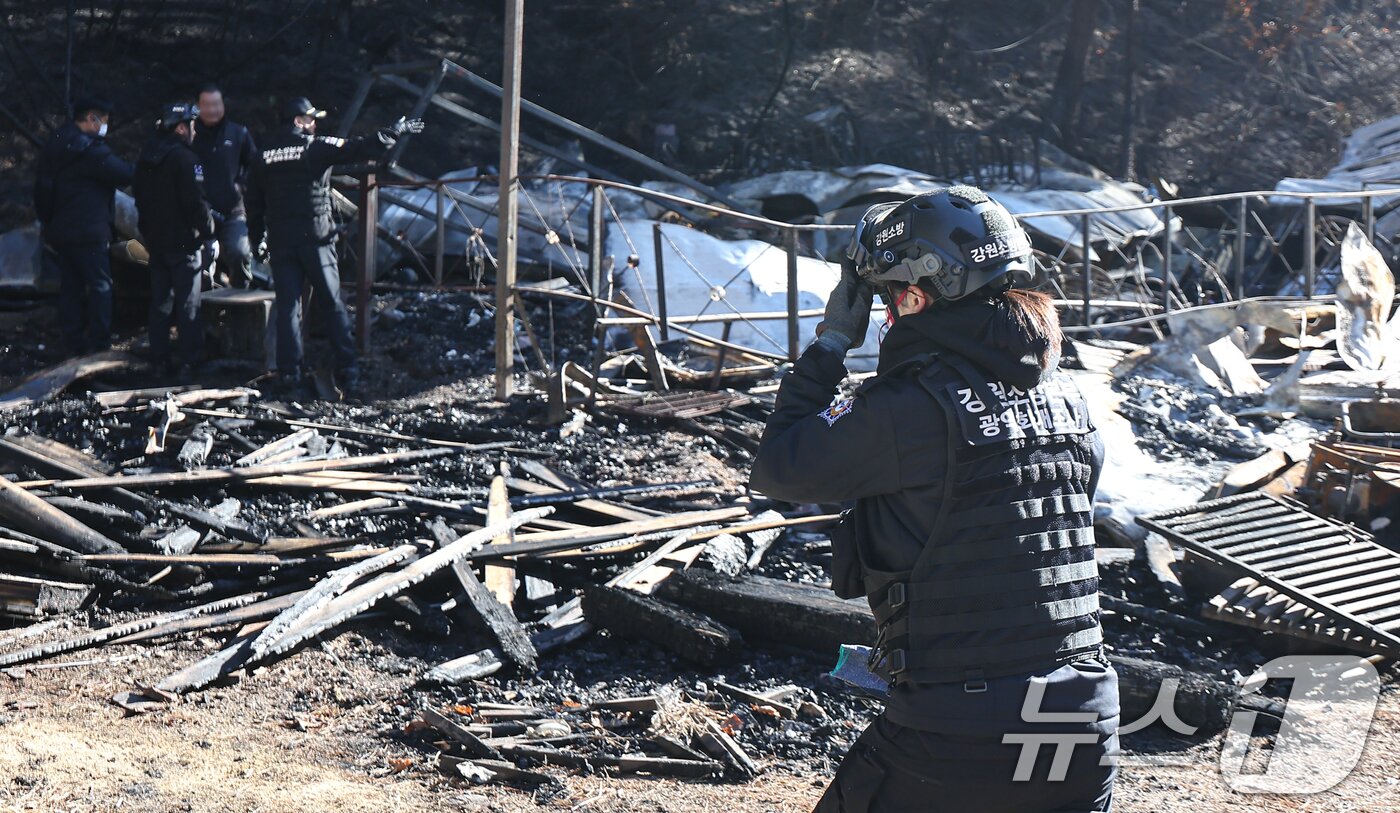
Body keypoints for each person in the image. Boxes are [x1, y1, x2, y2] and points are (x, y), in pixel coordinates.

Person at [750, 186, 1118, 813]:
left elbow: (778, 470)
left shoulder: (909, 407)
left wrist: (832, 344)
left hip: (960, 730)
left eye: (890, 297)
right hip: (1085, 721)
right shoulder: (1070, 401)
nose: (889, 314)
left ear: (916, 295)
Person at [245, 96, 423, 393]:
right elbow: (359, 147)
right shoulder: (314, 147)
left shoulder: (264, 154)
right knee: (332, 303)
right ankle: (348, 367)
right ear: (298, 121)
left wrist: (257, 239)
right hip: (316, 238)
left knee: (289, 306)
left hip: (281, 241)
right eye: (310, 119)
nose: (314, 124)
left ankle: (289, 372)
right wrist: (392, 132)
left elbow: (253, 203)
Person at [33, 96, 134, 355]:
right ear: (92, 118)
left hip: (61, 231)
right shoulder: (91, 151)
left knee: (71, 288)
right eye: (104, 121)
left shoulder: (57, 142)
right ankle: (99, 344)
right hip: (90, 231)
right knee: (101, 287)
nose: (105, 127)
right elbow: (123, 173)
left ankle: (72, 343)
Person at [132, 102, 215, 377]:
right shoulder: (185, 159)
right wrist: (209, 233)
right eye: (192, 125)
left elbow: (140, 202)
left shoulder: (146, 158)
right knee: (188, 304)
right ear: (181, 127)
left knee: (160, 304)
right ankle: (189, 363)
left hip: (157, 244)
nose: (195, 131)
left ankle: (159, 362)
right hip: (184, 244)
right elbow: (196, 203)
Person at [192, 83, 257, 288]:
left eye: (216, 104)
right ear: (198, 106)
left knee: (240, 252)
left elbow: (255, 165)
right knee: (201, 262)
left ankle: (241, 299)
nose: (212, 110)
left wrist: (242, 185)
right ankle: (205, 309)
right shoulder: (189, 135)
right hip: (199, 212)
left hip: (232, 210)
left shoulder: (238, 133)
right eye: (207, 104)